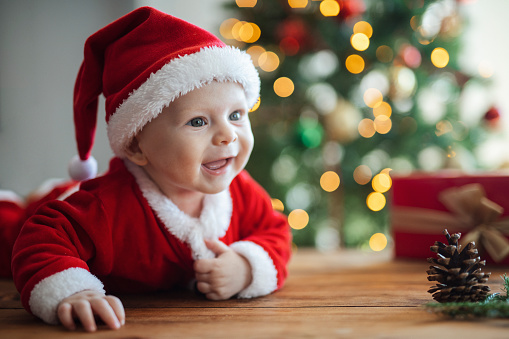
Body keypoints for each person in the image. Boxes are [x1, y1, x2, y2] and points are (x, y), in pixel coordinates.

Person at [10, 7, 292, 332]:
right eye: (198, 121)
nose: (228, 134)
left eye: (237, 115)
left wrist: (247, 267)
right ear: (136, 146)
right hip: (56, 205)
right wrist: (72, 291)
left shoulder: (240, 190)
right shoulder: (108, 206)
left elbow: (276, 232)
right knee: (11, 229)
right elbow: (41, 238)